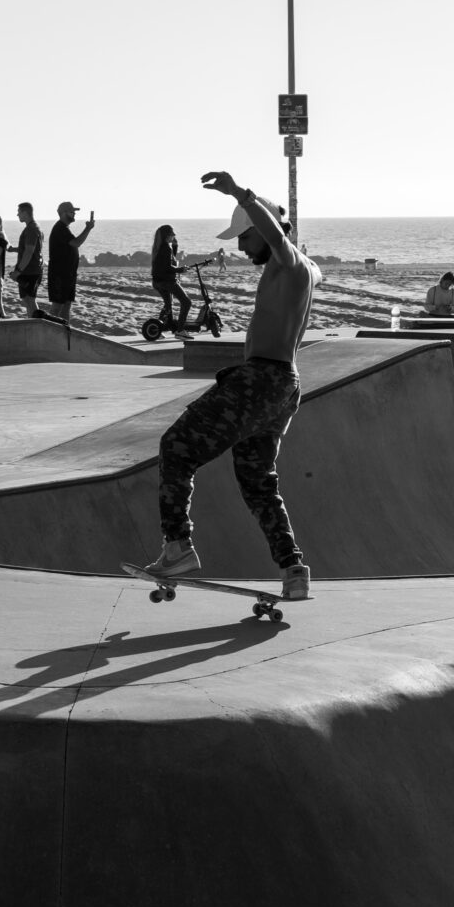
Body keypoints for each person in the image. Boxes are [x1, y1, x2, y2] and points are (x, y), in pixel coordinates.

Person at [140, 170, 318, 602]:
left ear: (264, 230)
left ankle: (177, 546)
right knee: (259, 481)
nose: (239, 246)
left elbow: (277, 237)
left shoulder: (288, 261)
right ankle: (293, 568)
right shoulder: (307, 270)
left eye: (245, 237)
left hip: (260, 381)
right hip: (282, 387)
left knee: (176, 447)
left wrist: (240, 193)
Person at [44, 201, 95, 325]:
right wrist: (88, 228)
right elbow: (75, 242)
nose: (74, 214)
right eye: (71, 212)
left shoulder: (64, 228)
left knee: (66, 305)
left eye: (74, 212)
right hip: (59, 275)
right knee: (57, 306)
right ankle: (50, 331)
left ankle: (64, 330)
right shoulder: (60, 228)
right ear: (63, 213)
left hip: (68, 274)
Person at [150, 224, 192, 333]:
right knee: (186, 302)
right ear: (167, 236)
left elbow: (169, 260)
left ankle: (157, 330)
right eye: (172, 234)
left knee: (168, 304)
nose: (174, 236)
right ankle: (180, 330)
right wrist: (180, 270)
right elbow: (167, 266)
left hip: (157, 282)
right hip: (167, 282)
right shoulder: (165, 247)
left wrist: (175, 246)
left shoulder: (159, 246)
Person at [11, 201, 44, 317]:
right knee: (28, 300)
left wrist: (18, 271)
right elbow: (30, 249)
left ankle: (38, 324)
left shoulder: (31, 229)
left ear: (25, 212)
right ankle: (33, 322)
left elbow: (29, 252)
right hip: (31, 270)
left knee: (30, 300)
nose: (17, 215)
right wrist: (14, 249)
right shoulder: (34, 227)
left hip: (30, 271)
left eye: (19, 212)